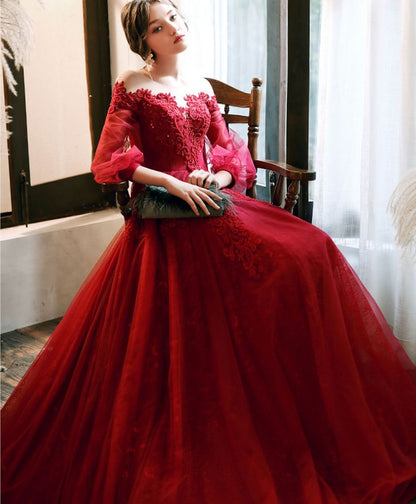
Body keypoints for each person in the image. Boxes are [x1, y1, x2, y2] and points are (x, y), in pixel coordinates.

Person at [2, 1, 416, 502]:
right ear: (144, 41)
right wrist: (172, 183)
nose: (173, 28)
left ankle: (303, 398)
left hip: (212, 201)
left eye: (174, 17)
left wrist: (213, 177)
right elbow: (109, 160)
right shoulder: (132, 84)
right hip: (167, 216)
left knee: (313, 248)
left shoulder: (200, 86)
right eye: (158, 27)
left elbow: (231, 154)